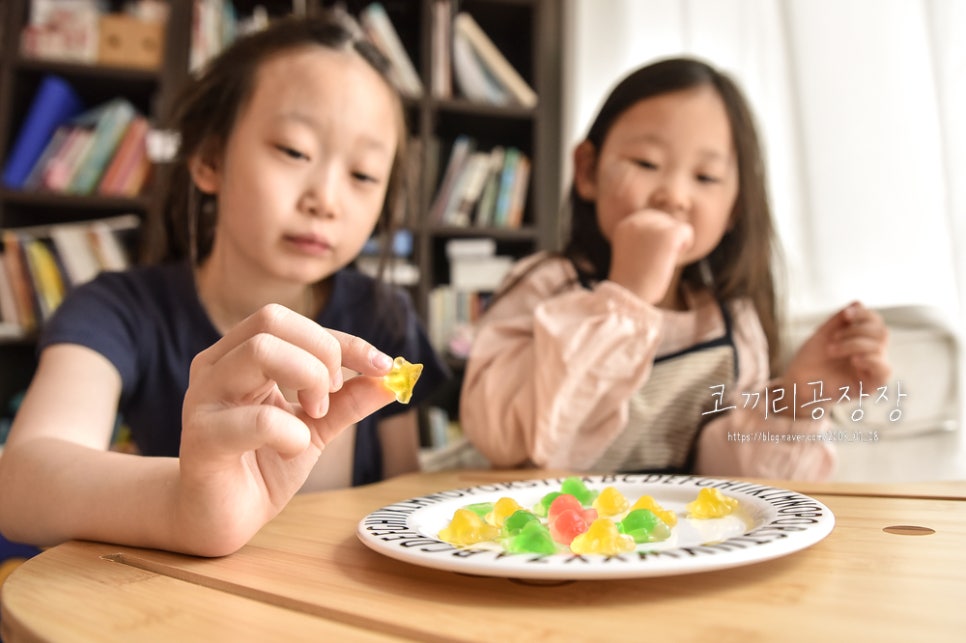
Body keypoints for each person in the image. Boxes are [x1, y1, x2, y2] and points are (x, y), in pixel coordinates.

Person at [0, 13, 447, 557]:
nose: (325, 199)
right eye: (293, 151)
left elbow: (403, 500)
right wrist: (187, 504)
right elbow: (22, 482)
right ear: (210, 159)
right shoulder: (117, 307)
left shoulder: (386, 316)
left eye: (363, 175)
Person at [460, 57, 889, 481]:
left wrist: (798, 398)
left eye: (705, 177)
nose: (674, 195)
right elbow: (502, 438)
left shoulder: (731, 323)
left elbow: (732, 479)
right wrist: (626, 296)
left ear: (735, 208)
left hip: (660, 541)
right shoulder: (546, 286)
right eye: (646, 164)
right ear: (588, 171)